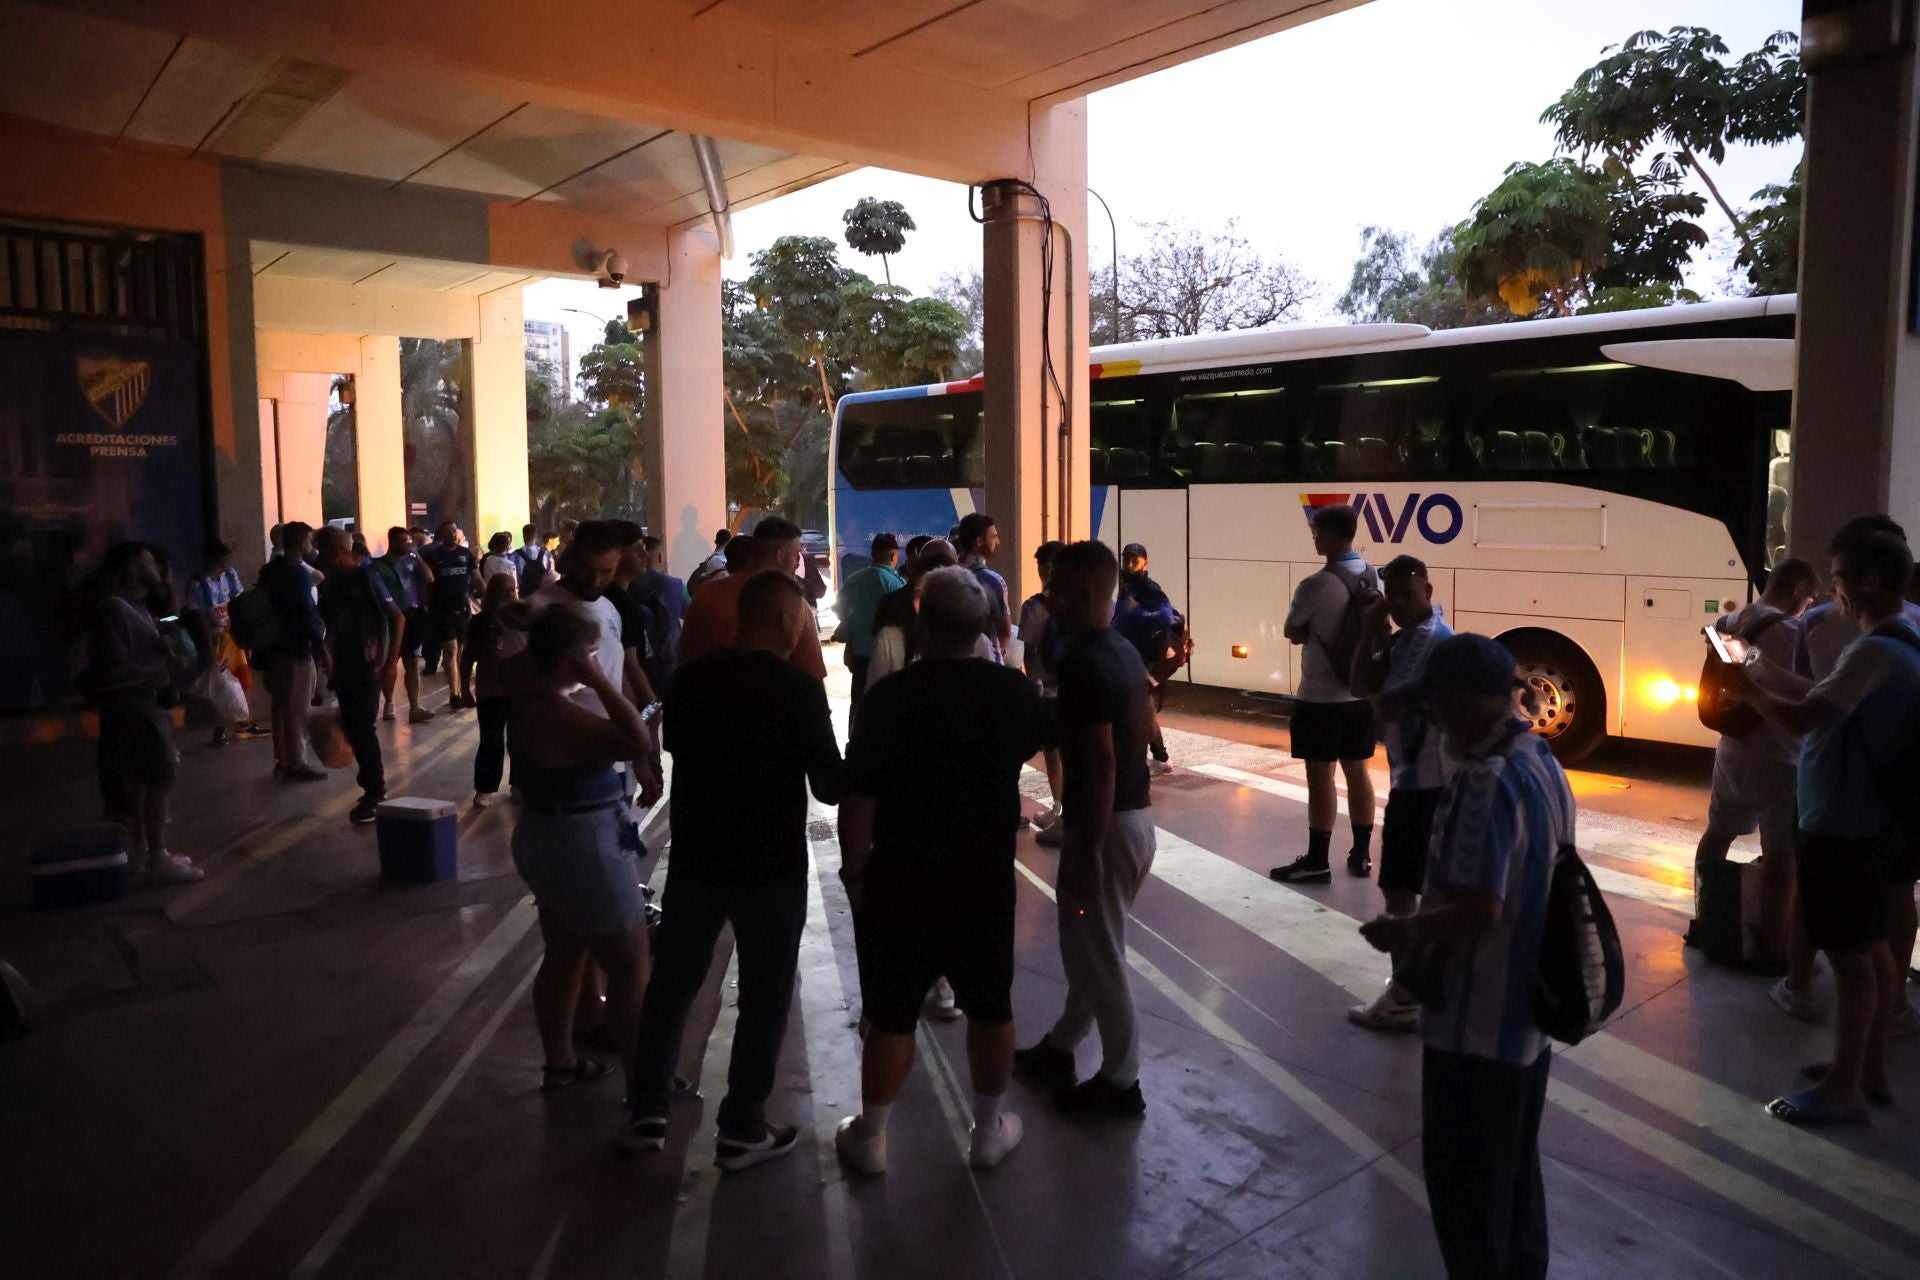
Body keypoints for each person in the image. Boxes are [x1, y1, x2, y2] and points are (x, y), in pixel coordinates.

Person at [1358, 633, 1571, 1280]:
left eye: (1439, 705)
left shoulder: (1484, 780)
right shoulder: (1542, 762)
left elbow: (1479, 909)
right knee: (1513, 1183)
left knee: (1468, 1196)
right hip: (1527, 1026)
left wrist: (1404, 932)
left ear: (1477, 700)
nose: (1433, 719)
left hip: (1476, 1029)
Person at [618, 572, 843, 1168]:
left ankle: (646, 1110)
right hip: (770, 863)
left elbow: (678, 750)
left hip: (697, 856)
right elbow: (829, 784)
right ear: (785, 620)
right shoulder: (797, 689)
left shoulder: (689, 682)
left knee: (673, 984)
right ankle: (743, 1126)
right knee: (765, 996)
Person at [834, 567, 1048, 1174]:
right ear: (982, 627)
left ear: (922, 624)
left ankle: (871, 1137)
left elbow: (861, 799)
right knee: (990, 1005)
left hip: (902, 875)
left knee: (894, 1010)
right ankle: (988, 1131)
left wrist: (856, 874)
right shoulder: (1011, 693)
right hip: (982, 875)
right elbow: (1045, 746)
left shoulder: (889, 699)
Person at [1733, 528, 1920, 1124]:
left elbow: (1803, 721)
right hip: (1871, 819)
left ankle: (1843, 1090)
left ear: (1866, 581)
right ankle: (1866, 1069)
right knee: (1871, 946)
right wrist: (1757, 665)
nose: (1830, 589)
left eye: (1837, 576)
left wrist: (1748, 693)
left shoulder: (1873, 651)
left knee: (1849, 957)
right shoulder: (1900, 639)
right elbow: (1819, 693)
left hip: (1842, 823)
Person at [1013, 540, 1158, 1120]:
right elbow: (1144, 727)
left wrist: (1083, 851)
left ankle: (1123, 1082)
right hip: (1133, 822)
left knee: (1099, 956)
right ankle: (1059, 1048)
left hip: (1109, 827)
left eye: (1061, 590)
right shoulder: (1118, 649)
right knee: (1093, 947)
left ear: (1092, 593)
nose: (1051, 599)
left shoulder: (1081, 660)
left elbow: (1097, 766)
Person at [508, 603, 653, 1092]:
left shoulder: (534, 701)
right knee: (631, 966)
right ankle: (645, 1085)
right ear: (576, 661)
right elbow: (635, 739)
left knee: (565, 953)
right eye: (592, 654)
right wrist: (602, 681)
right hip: (581, 843)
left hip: (546, 834)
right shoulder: (555, 712)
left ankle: (561, 1064)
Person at [1693, 558, 1820, 978]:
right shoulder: (1789, 631)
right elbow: (1805, 692)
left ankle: (1704, 916)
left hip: (1732, 747)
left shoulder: (1731, 617)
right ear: (1798, 588)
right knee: (1781, 854)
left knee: (1718, 834)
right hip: (1777, 756)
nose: (1810, 605)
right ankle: (1770, 946)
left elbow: (1721, 646)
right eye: (1811, 597)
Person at [1344, 555, 1453, 1031]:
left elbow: (1381, 703)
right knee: (1411, 889)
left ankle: (1406, 995)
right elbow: (1361, 683)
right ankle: (1422, 987)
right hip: (1413, 781)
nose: (1402, 605)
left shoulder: (1432, 643)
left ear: (1428, 590)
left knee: (1403, 890)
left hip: (1427, 786)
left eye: (1409, 594)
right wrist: (1371, 631)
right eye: (1394, 597)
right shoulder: (1405, 640)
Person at [1272, 504, 1379, 884]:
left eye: (1317, 533)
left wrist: (1307, 631)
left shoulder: (1315, 584)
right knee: (1358, 771)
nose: (1315, 539)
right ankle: (1362, 854)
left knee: (1320, 778)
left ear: (1332, 537)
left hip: (1320, 698)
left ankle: (1317, 859)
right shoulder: (1371, 576)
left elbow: (1291, 629)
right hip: (1360, 696)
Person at [86, 543, 203, 884]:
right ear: (130, 567)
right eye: (149, 561)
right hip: (134, 707)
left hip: (143, 705)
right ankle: (156, 856)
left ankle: (140, 853)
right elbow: (110, 668)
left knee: (141, 784)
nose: (157, 566)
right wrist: (158, 672)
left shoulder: (136, 607)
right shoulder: (115, 609)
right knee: (160, 779)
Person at [531, 520, 662, 803]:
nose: (595, 581)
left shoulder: (610, 608)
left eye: (606, 571)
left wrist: (638, 758)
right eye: (587, 570)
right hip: (565, 761)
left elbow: (622, 677)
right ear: (573, 556)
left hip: (613, 756)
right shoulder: (541, 607)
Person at [677, 517, 826, 679]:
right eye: (796, 554)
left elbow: (685, 654)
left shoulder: (708, 593)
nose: (798, 562)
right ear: (781, 555)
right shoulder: (794, 605)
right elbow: (812, 675)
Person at [315, 527, 395, 825]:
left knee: (362, 728)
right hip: (344, 667)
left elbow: (395, 617)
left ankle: (374, 792)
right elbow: (330, 626)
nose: (317, 556)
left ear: (335, 549)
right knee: (354, 726)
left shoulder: (365, 577)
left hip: (367, 666)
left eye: (321, 549)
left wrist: (388, 662)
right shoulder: (330, 585)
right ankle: (372, 787)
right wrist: (326, 655)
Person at [256, 521, 327, 781]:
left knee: (280, 704)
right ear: (300, 542)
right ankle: (297, 761)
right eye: (309, 540)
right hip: (297, 648)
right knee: (298, 708)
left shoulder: (269, 570)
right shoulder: (298, 573)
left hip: (273, 648)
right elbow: (306, 615)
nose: (311, 546)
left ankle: (282, 757)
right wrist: (321, 650)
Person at [1116, 542, 1187, 776]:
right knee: (1142, 710)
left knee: (1142, 710)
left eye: (1134, 560)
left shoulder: (1147, 587)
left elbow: (1165, 616)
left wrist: (1135, 612)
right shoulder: (1127, 586)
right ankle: (1158, 756)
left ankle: (1158, 757)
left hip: (1144, 659)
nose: (1128, 564)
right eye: (1126, 559)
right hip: (1132, 656)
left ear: (1145, 562)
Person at [866, 539, 972, 687]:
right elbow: (873, 697)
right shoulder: (890, 640)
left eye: (940, 592)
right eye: (920, 593)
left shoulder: (976, 642)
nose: (928, 602)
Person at [186, 540, 261, 746]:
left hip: (233, 635)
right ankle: (220, 728)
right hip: (217, 639)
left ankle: (242, 722)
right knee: (222, 683)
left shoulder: (230, 576)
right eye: (225, 558)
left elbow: (239, 603)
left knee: (242, 678)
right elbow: (199, 617)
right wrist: (209, 645)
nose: (229, 562)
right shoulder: (198, 585)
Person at [1020, 540, 1067, 841]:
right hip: (1077, 692)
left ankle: (1059, 808)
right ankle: (1067, 810)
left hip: (1049, 694)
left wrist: (1034, 682)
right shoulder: (1080, 603)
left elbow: (1028, 653)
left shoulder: (1033, 607)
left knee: (1052, 751)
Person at [368, 527, 436, 725]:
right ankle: (388, 701)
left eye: (410, 541)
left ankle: (415, 707)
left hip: (412, 614)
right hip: (389, 617)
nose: (408, 544)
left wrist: (417, 558)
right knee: (388, 660)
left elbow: (430, 578)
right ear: (393, 542)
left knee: (412, 660)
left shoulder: (411, 562)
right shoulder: (378, 565)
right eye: (405, 541)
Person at [469, 573, 525, 808]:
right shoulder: (481, 622)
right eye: (506, 591)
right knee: (490, 742)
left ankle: (519, 783)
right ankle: (485, 787)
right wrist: (462, 688)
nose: (512, 595)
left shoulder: (524, 619)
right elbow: (467, 657)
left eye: (514, 590)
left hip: (520, 691)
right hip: (490, 691)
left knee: (520, 741)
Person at [832, 532, 904, 704]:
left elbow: (839, 608)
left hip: (859, 654)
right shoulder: (896, 584)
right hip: (886, 656)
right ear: (894, 555)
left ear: (872, 554)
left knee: (858, 703)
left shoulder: (853, 580)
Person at [421, 522, 478, 708]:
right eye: (448, 532)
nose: (453, 534)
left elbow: (477, 579)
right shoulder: (434, 556)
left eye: (454, 531)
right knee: (451, 649)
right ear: (441, 535)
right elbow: (427, 582)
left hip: (463, 610)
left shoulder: (466, 554)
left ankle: (460, 688)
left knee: (460, 652)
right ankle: (454, 694)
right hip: (442, 610)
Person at [955, 513, 1012, 664]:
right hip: (988, 663)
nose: (998, 542)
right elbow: (1005, 629)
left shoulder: (945, 576)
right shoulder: (992, 581)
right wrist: (999, 652)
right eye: (993, 537)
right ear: (979, 541)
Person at [633, 535, 687, 694]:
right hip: (669, 662)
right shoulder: (674, 585)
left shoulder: (628, 585)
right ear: (661, 556)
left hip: (636, 664)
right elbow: (691, 614)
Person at [513, 523, 553, 597]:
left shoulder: (515, 555)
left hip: (524, 595)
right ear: (536, 536)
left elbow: (514, 578)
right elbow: (549, 573)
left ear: (523, 535)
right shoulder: (545, 554)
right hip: (541, 594)